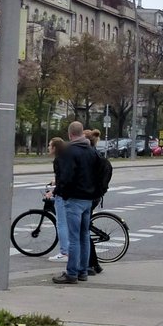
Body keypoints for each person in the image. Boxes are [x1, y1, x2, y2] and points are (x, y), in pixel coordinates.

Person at [51, 121, 99, 284]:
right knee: (84, 235)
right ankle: (83, 271)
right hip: (88, 199)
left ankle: (71, 273)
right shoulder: (91, 151)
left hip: (74, 199)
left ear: (70, 134)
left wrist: (61, 192)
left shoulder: (69, 151)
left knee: (73, 238)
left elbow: (66, 176)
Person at [86, 130, 114, 275]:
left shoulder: (90, 156)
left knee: (83, 230)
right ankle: (95, 264)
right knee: (84, 228)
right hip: (96, 195)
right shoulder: (96, 154)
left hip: (89, 196)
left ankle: (90, 264)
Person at [44, 136, 69, 262]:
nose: (48, 147)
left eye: (50, 145)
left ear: (55, 147)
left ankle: (64, 252)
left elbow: (63, 180)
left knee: (62, 224)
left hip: (63, 196)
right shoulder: (65, 158)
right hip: (70, 194)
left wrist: (52, 192)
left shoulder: (58, 160)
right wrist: (56, 181)